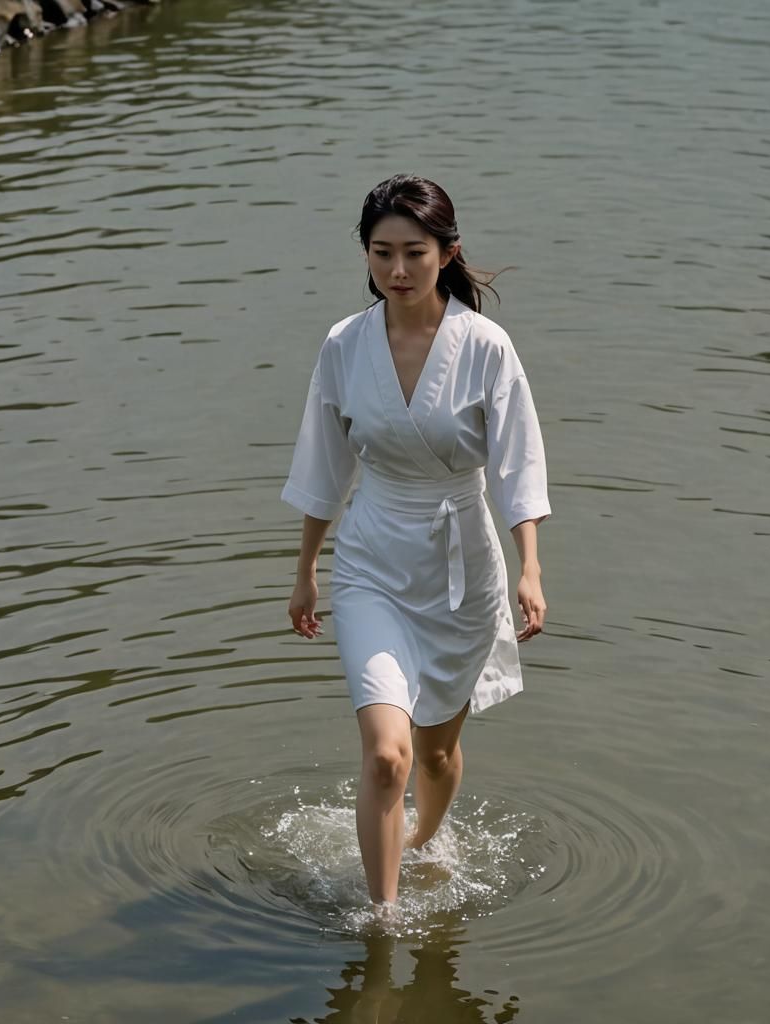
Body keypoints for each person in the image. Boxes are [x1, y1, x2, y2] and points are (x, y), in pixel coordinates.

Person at [281, 174, 550, 907]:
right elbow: (323, 465)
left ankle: (428, 841)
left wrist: (530, 568)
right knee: (387, 755)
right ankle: (384, 917)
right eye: (381, 253)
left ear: (446, 252)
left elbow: (519, 465)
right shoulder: (345, 344)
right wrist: (306, 570)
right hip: (370, 559)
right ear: (365, 256)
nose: (396, 272)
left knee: (433, 751)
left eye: (413, 253)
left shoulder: (486, 346)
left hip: (462, 567)